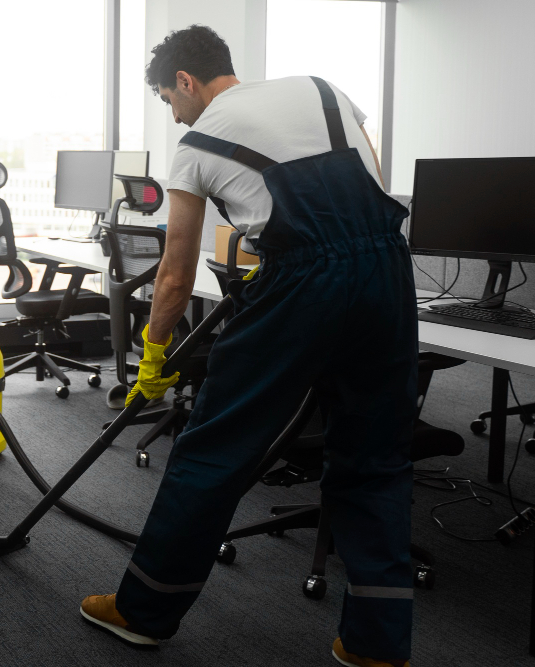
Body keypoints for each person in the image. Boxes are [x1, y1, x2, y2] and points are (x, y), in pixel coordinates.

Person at [78, 26, 416, 667]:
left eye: (165, 98)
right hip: (387, 272)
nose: (171, 113)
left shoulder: (195, 144)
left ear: (185, 81)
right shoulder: (325, 90)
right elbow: (367, 187)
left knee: (213, 448)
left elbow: (174, 274)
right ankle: (377, 644)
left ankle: (144, 611)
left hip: (303, 289)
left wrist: (151, 358)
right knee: (376, 456)